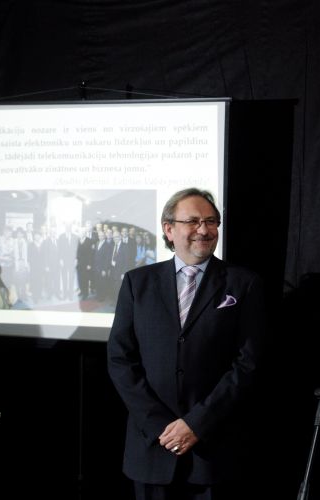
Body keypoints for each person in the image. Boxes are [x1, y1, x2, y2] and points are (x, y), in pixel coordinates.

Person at [107, 187, 267, 500]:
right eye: (193, 221)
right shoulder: (137, 283)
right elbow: (120, 359)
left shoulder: (244, 284)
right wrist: (161, 427)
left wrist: (196, 424)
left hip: (213, 452)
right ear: (169, 229)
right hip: (152, 449)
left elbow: (248, 363)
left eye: (211, 221)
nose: (204, 230)